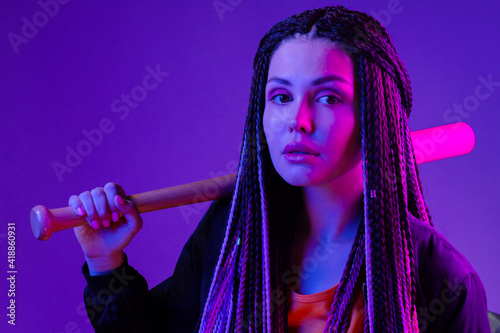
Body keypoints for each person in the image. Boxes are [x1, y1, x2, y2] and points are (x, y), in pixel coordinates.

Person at [69, 6, 490, 332]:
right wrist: (105, 260)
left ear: (374, 114)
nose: (298, 120)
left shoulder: (442, 278)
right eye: (281, 97)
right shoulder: (232, 234)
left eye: (328, 98)